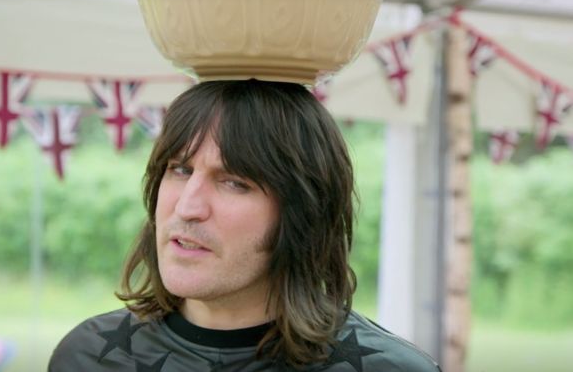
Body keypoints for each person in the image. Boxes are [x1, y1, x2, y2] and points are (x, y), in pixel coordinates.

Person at [48, 79, 441, 371]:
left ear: (302, 211)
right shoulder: (88, 357)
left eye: (234, 182)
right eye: (180, 169)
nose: (188, 207)